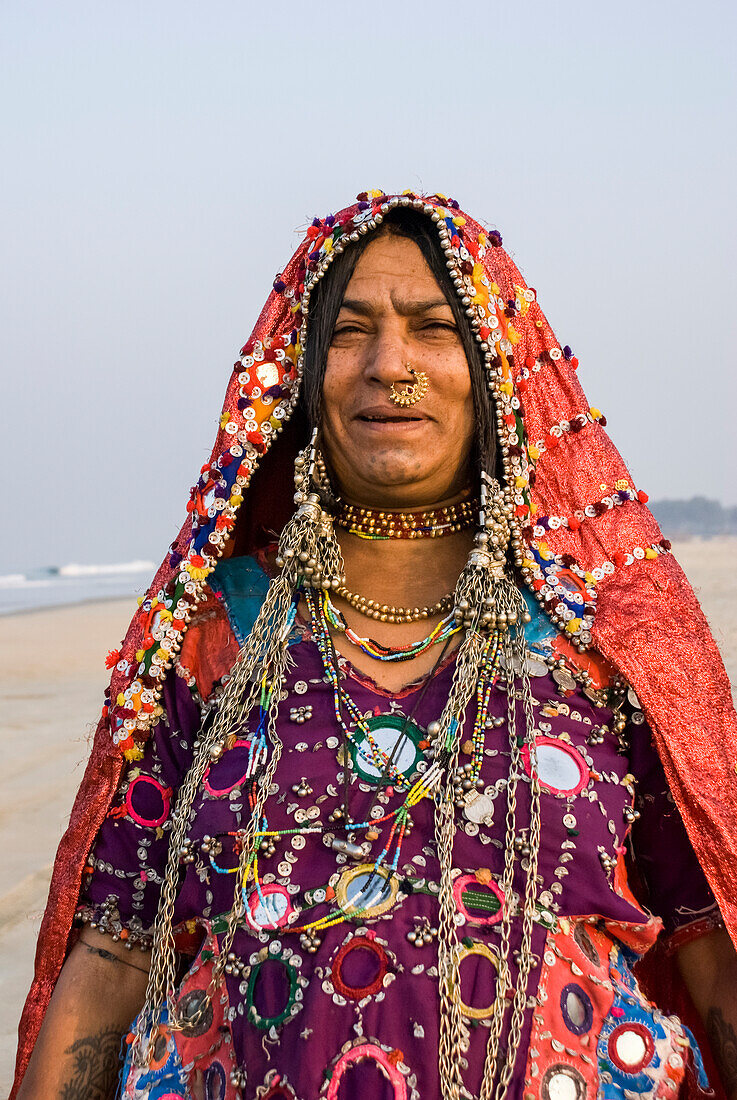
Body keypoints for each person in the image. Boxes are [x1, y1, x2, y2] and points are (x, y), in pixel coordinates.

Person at [12, 190, 737, 1100]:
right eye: (351, 332)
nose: (389, 364)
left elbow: (708, 936)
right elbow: (115, 949)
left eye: (433, 328)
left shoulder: (603, 640)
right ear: (305, 372)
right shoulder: (218, 637)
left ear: (494, 368)